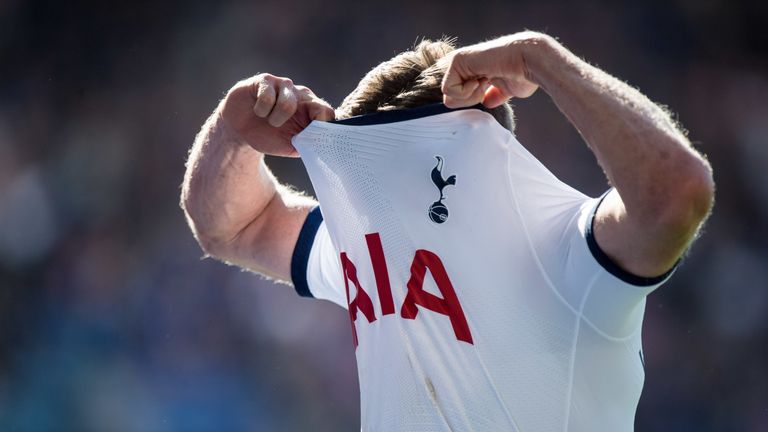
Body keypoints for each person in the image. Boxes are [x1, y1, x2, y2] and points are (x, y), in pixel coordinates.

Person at [181, 32, 714, 431]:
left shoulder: (564, 247)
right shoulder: (373, 250)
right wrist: (233, 129)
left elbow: (678, 192)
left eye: (405, 168)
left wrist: (539, 59)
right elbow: (233, 227)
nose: (377, 206)